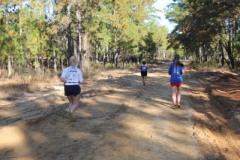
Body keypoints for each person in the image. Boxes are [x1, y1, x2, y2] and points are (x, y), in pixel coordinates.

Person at [60, 55, 83, 120]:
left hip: (67, 87)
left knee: (71, 102)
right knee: (76, 103)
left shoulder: (66, 69)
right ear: (77, 62)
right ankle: (71, 112)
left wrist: (67, 79)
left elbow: (61, 79)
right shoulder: (78, 70)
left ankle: (70, 115)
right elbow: (81, 81)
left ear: (70, 61)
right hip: (75, 86)